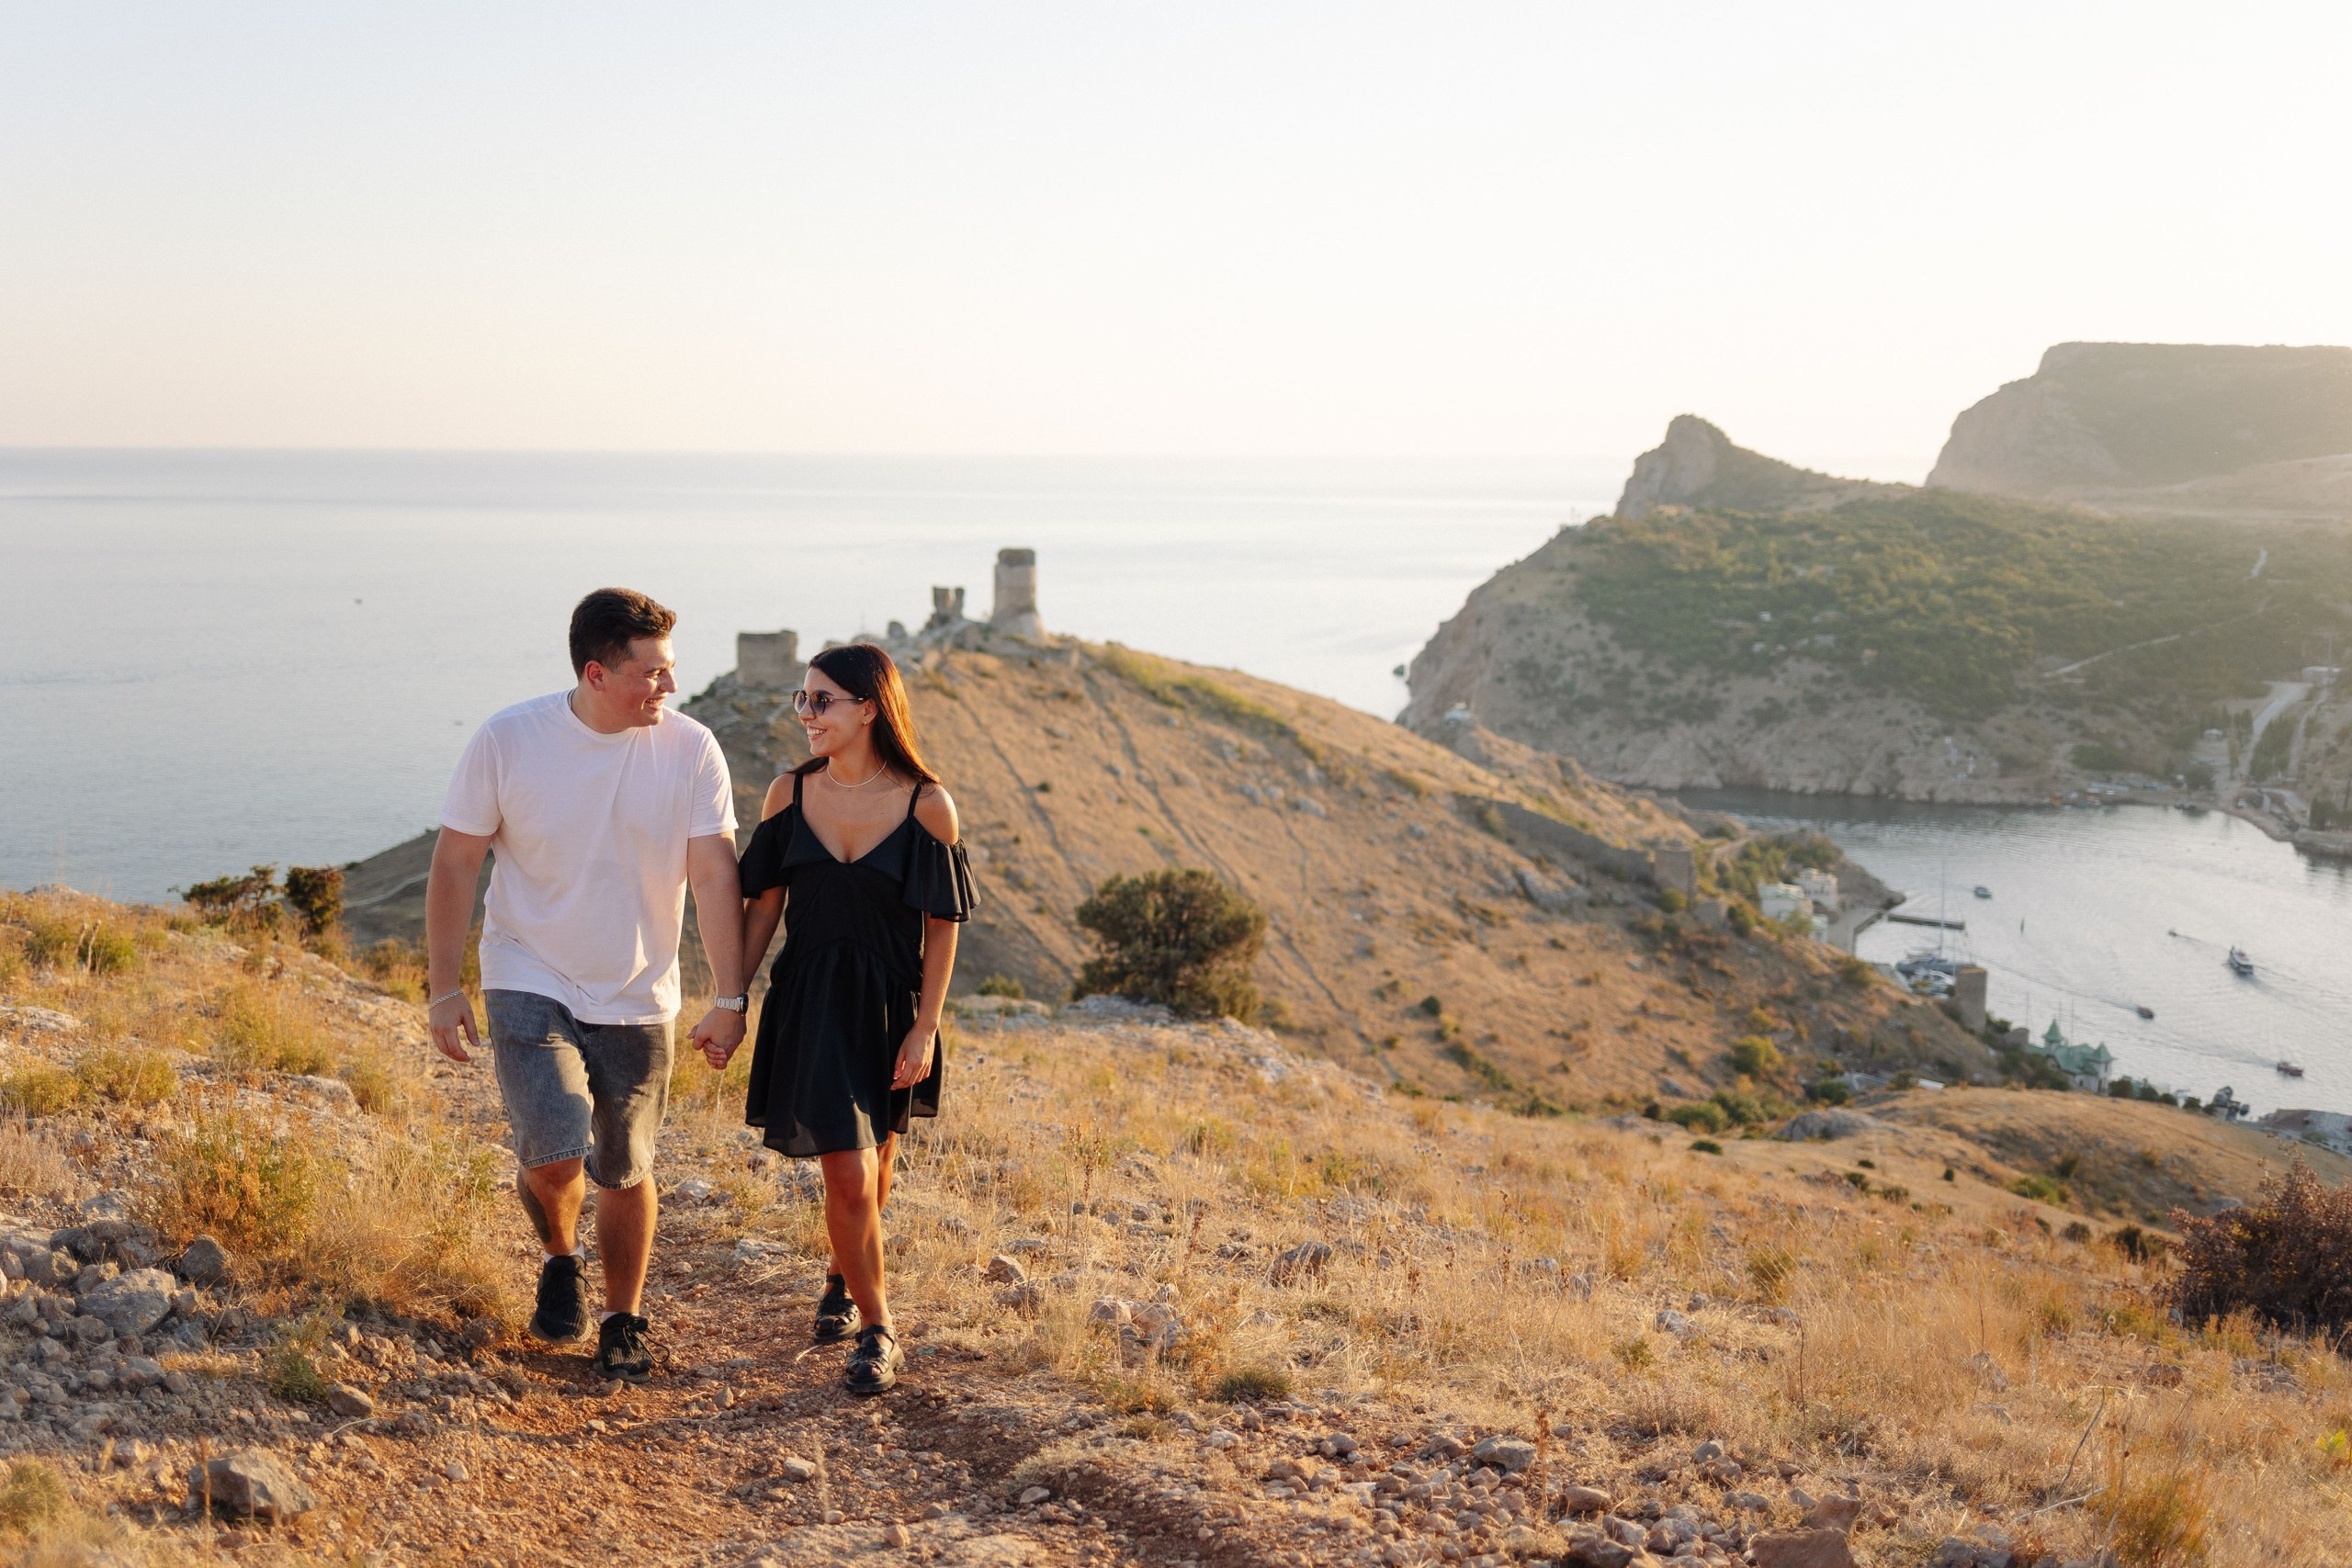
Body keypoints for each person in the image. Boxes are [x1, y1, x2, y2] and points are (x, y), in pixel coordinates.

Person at [424, 587, 748, 1382]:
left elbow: (713, 874)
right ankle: (560, 1254)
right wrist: (443, 985)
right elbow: (456, 861)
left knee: (624, 1163)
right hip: (527, 968)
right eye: (654, 673)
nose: (669, 687)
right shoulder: (509, 740)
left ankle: (622, 1316)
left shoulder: (693, 749)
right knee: (555, 1147)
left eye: (670, 670)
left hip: (639, 990)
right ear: (598, 672)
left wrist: (732, 998)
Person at [729, 643, 973, 1394]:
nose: (806, 714)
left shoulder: (925, 802)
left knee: (879, 1158)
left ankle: (840, 1275)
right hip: (809, 1004)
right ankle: (879, 1327)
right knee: (847, 1165)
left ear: (869, 707)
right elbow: (763, 905)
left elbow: (942, 923)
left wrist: (925, 1025)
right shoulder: (787, 794)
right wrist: (729, 999)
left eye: (821, 700)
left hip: (890, 1007)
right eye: (802, 700)